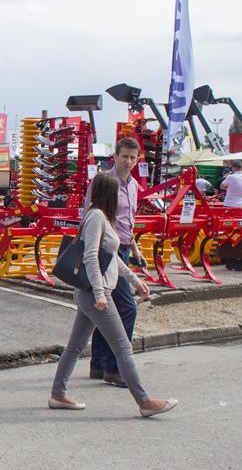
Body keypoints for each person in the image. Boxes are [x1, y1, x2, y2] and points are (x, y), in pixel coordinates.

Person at [49, 172, 177, 417]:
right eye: (117, 192)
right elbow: (91, 256)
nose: (121, 197)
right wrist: (99, 293)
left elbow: (112, 258)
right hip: (95, 294)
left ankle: (58, 394)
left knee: (75, 347)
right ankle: (144, 401)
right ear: (109, 194)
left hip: (90, 293)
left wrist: (134, 280)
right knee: (123, 347)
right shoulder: (97, 217)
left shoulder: (102, 217)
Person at [82, 137, 145, 387]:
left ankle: (98, 364)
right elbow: (89, 214)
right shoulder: (103, 182)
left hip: (124, 249)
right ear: (115, 156)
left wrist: (135, 248)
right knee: (127, 308)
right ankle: (114, 367)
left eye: (133, 157)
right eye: (124, 156)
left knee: (106, 309)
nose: (128, 161)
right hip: (107, 252)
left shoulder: (134, 186)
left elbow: (129, 222)